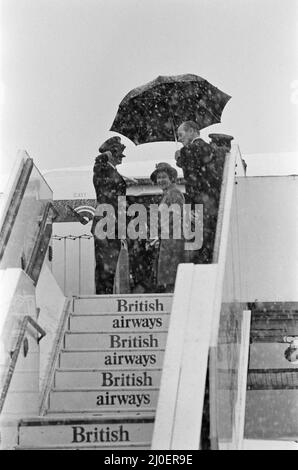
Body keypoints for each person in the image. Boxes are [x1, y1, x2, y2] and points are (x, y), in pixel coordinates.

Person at [175, 121, 225, 263]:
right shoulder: (210, 148)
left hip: (199, 204)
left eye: (181, 134)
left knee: (198, 245)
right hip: (213, 202)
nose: (179, 139)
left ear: (192, 131)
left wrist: (179, 158)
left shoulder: (188, 150)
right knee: (211, 241)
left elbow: (192, 179)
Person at [91, 136, 127, 294]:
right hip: (106, 223)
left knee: (109, 267)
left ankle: (105, 295)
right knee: (104, 267)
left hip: (113, 223)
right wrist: (103, 157)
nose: (121, 158)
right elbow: (98, 173)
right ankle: (102, 298)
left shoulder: (112, 171)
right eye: (118, 153)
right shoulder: (103, 168)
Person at [150, 162, 185, 293]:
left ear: (172, 178)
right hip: (168, 240)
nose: (161, 180)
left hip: (173, 242)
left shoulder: (174, 193)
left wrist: (159, 232)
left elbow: (174, 217)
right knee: (169, 278)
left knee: (172, 278)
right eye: (159, 178)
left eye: (164, 177)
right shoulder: (167, 194)